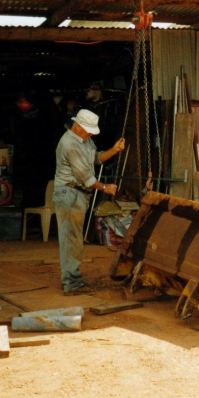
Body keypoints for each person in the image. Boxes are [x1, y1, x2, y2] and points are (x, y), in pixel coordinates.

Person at [53, 109, 125, 295]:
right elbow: (86, 178)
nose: (91, 133)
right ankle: (71, 282)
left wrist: (114, 150)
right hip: (69, 193)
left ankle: (73, 278)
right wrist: (105, 188)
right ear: (77, 127)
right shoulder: (69, 144)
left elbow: (96, 158)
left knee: (74, 239)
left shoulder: (86, 140)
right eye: (88, 130)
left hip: (77, 194)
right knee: (71, 239)